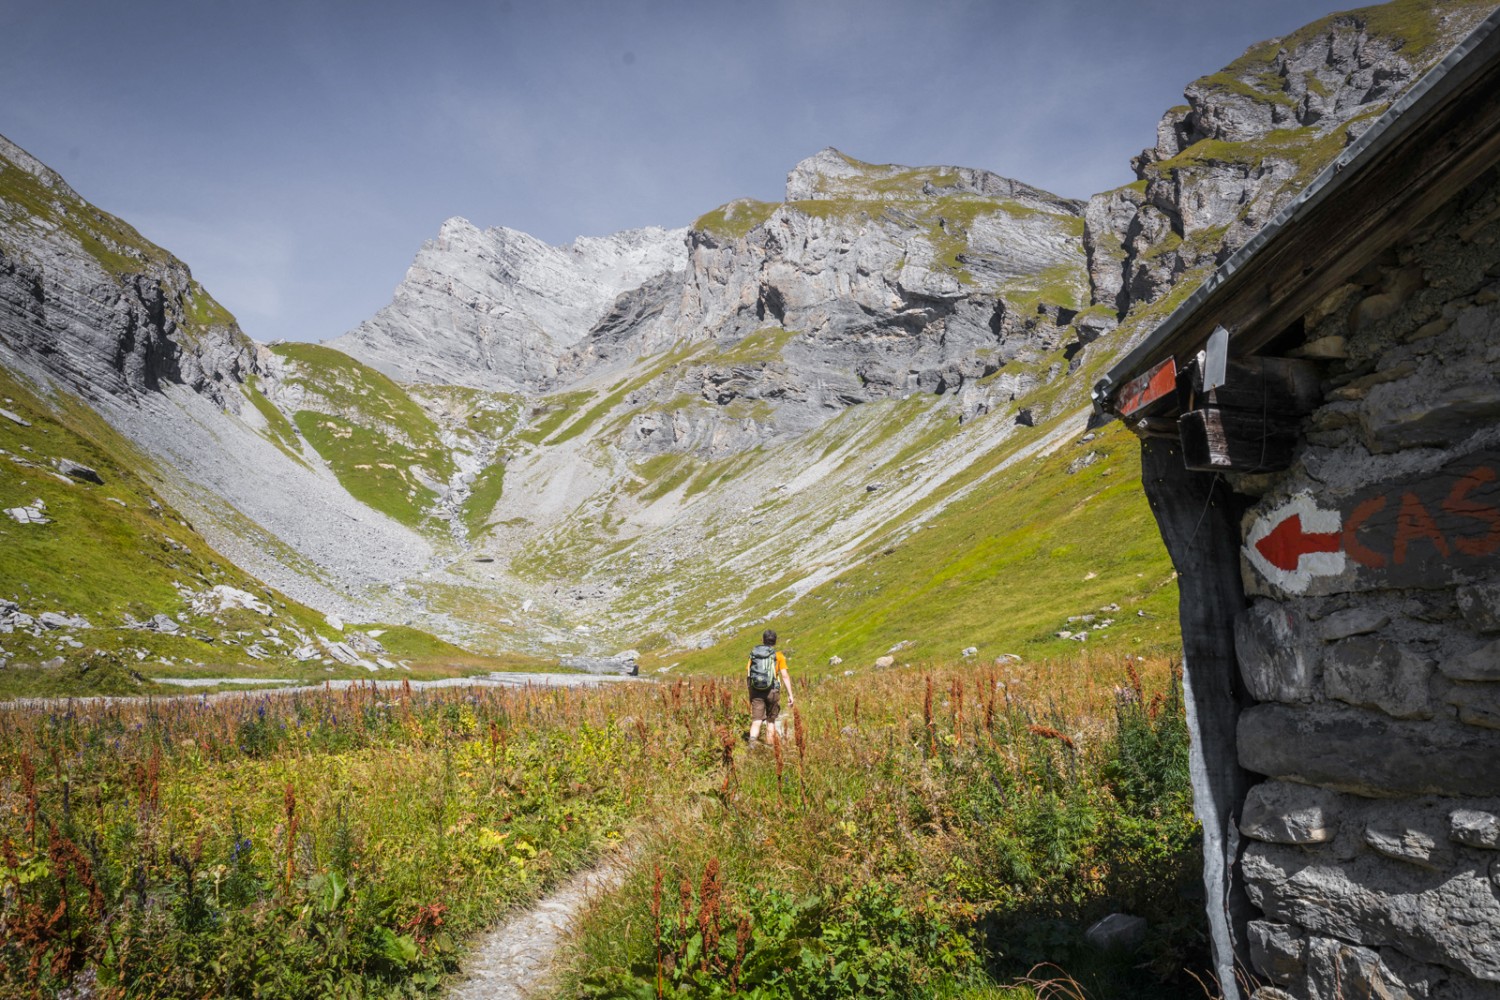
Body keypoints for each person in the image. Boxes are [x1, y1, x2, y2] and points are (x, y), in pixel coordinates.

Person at [746, 628, 794, 746]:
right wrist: (790, 694)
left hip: (756, 690)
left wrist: (751, 692)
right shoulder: (778, 656)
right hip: (772, 690)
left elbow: (749, 674)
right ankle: (770, 747)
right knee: (770, 721)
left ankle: (752, 743)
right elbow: (785, 676)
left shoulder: (754, 655)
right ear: (775, 641)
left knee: (756, 720)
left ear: (762, 640)